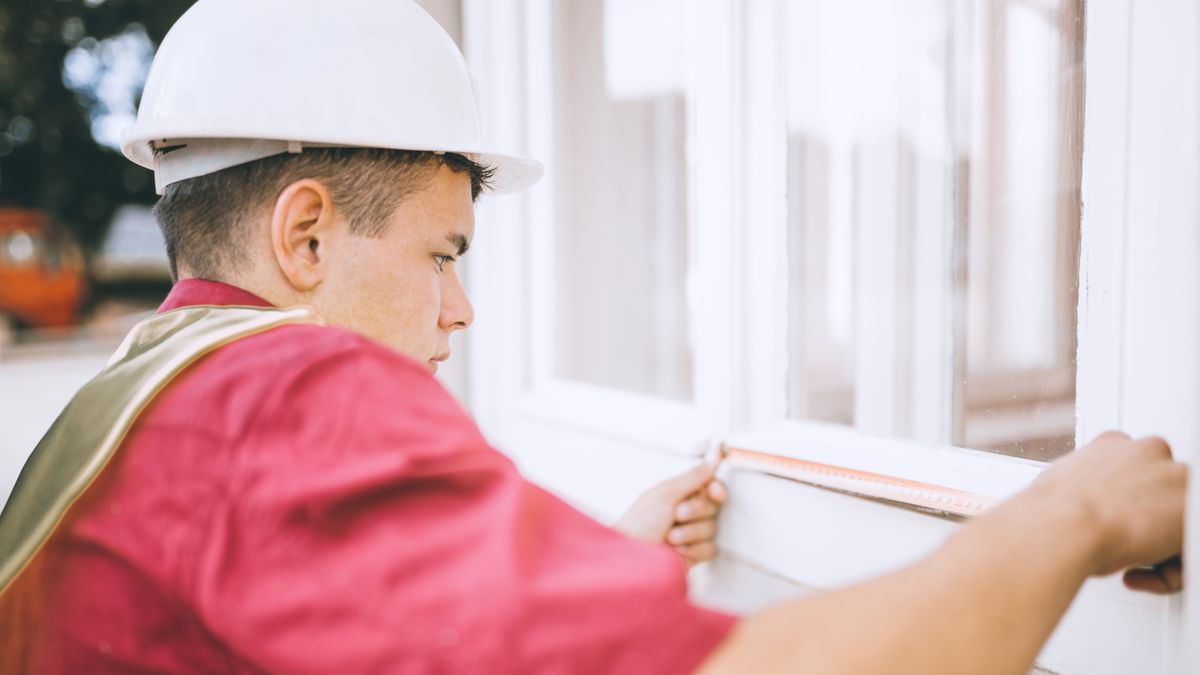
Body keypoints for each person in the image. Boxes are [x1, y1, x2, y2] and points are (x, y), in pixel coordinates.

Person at [0, 0, 1185, 673]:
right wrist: (1069, 514)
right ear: (304, 236)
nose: (460, 310)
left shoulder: (158, 390)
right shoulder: (284, 395)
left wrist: (600, 565)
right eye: (442, 254)